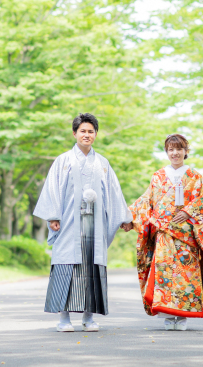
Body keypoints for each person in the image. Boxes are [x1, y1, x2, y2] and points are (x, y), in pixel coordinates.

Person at [33, 113, 133, 332]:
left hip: (95, 224)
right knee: (67, 265)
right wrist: (53, 215)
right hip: (69, 221)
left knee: (91, 266)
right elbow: (53, 187)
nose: (87, 135)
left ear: (96, 134)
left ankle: (88, 318)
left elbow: (114, 192)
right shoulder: (63, 160)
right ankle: (64, 319)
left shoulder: (102, 163)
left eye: (91, 131)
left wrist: (125, 218)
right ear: (74, 133)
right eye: (83, 131)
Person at [121, 134, 203, 331]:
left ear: (186, 151)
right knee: (164, 273)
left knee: (185, 274)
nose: (175, 153)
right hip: (163, 233)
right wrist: (128, 217)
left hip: (186, 236)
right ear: (166, 152)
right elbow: (146, 201)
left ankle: (182, 317)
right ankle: (166, 313)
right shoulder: (158, 176)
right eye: (171, 149)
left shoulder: (195, 177)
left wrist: (188, 212)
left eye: (179, 149)